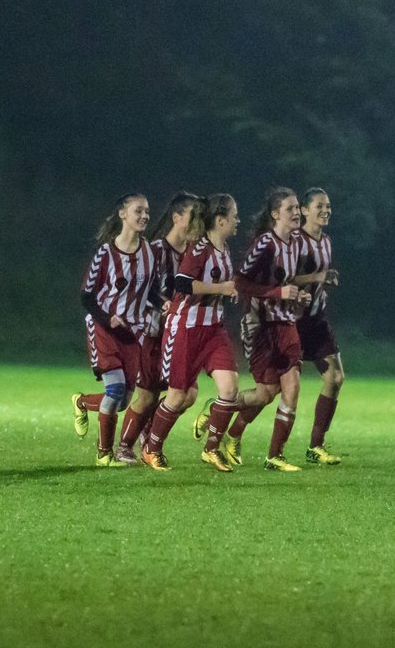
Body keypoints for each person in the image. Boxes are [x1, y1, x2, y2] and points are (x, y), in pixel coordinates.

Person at [207, 186, 311, 472]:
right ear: (276, 214)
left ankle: (274, 455)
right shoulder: (266, 244)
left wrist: (297, 294)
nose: (297, 212)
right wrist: (278, 293)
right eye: (290, 208)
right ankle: (222, 417)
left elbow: (284, 283)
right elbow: (241, 283)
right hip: (260, 327)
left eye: (297, 207)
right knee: (266, 393)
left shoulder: (297, 242)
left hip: (285, 324)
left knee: (291, 386)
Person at [140, 194, 245, 472]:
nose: (238, 220)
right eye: (235, 215)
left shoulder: (223, 249)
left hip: (214, 330)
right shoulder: (200, 248)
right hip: (185, 327)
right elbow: (183, 283)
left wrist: (229, 290)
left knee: (230, 388)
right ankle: (151, 447)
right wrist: (221, 289)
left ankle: (211, 449)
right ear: (221, 220)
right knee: (178, 396)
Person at [109, 192, 204, 464]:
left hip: (181, 334)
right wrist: (161, 303)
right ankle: (124, 446)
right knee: (148, 395)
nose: (199, 222)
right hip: (154, 333)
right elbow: (140, 288)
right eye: (193, 216)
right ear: (177, 218)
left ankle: (150, 435)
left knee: (188, 394)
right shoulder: (155, 251)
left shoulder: (194, 253)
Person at [68, 193, 160, 467]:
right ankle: (104, 455)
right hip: (104, 330)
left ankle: (82, 402)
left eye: (146, 212)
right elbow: (87, 295)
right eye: (138, 211)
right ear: (122, 214)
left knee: (121, 401)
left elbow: (151, 292)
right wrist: (108, 319)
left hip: (134, 335)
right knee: (116, 390)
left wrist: (163, 304)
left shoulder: (149, 252)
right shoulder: (105, 254)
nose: (144, 216)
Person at [294, 187, 344, 465]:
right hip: (293, 321)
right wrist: (317, 276)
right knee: (272, 390)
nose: (326, 211)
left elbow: (317, 278)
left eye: (328, 207)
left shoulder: (325, 242)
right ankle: (219, 411)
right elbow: (284, 279)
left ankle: (316, 445)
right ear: (304, 211)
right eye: (320, 206)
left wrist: (326, 279)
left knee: (335, 378)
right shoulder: (295, 242)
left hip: (316, 320)